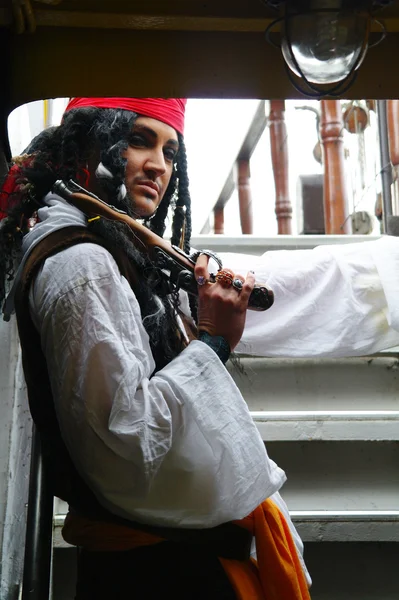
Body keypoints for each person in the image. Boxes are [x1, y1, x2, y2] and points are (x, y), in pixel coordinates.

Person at [1, 97, 399, 599]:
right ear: (88, 140)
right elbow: (124, 443)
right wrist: (211, 342)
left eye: (171, 152)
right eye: (139, 141)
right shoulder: (82, 266)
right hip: (153, 574)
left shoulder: (118, 247)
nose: (158, 166)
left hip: (171, 561)